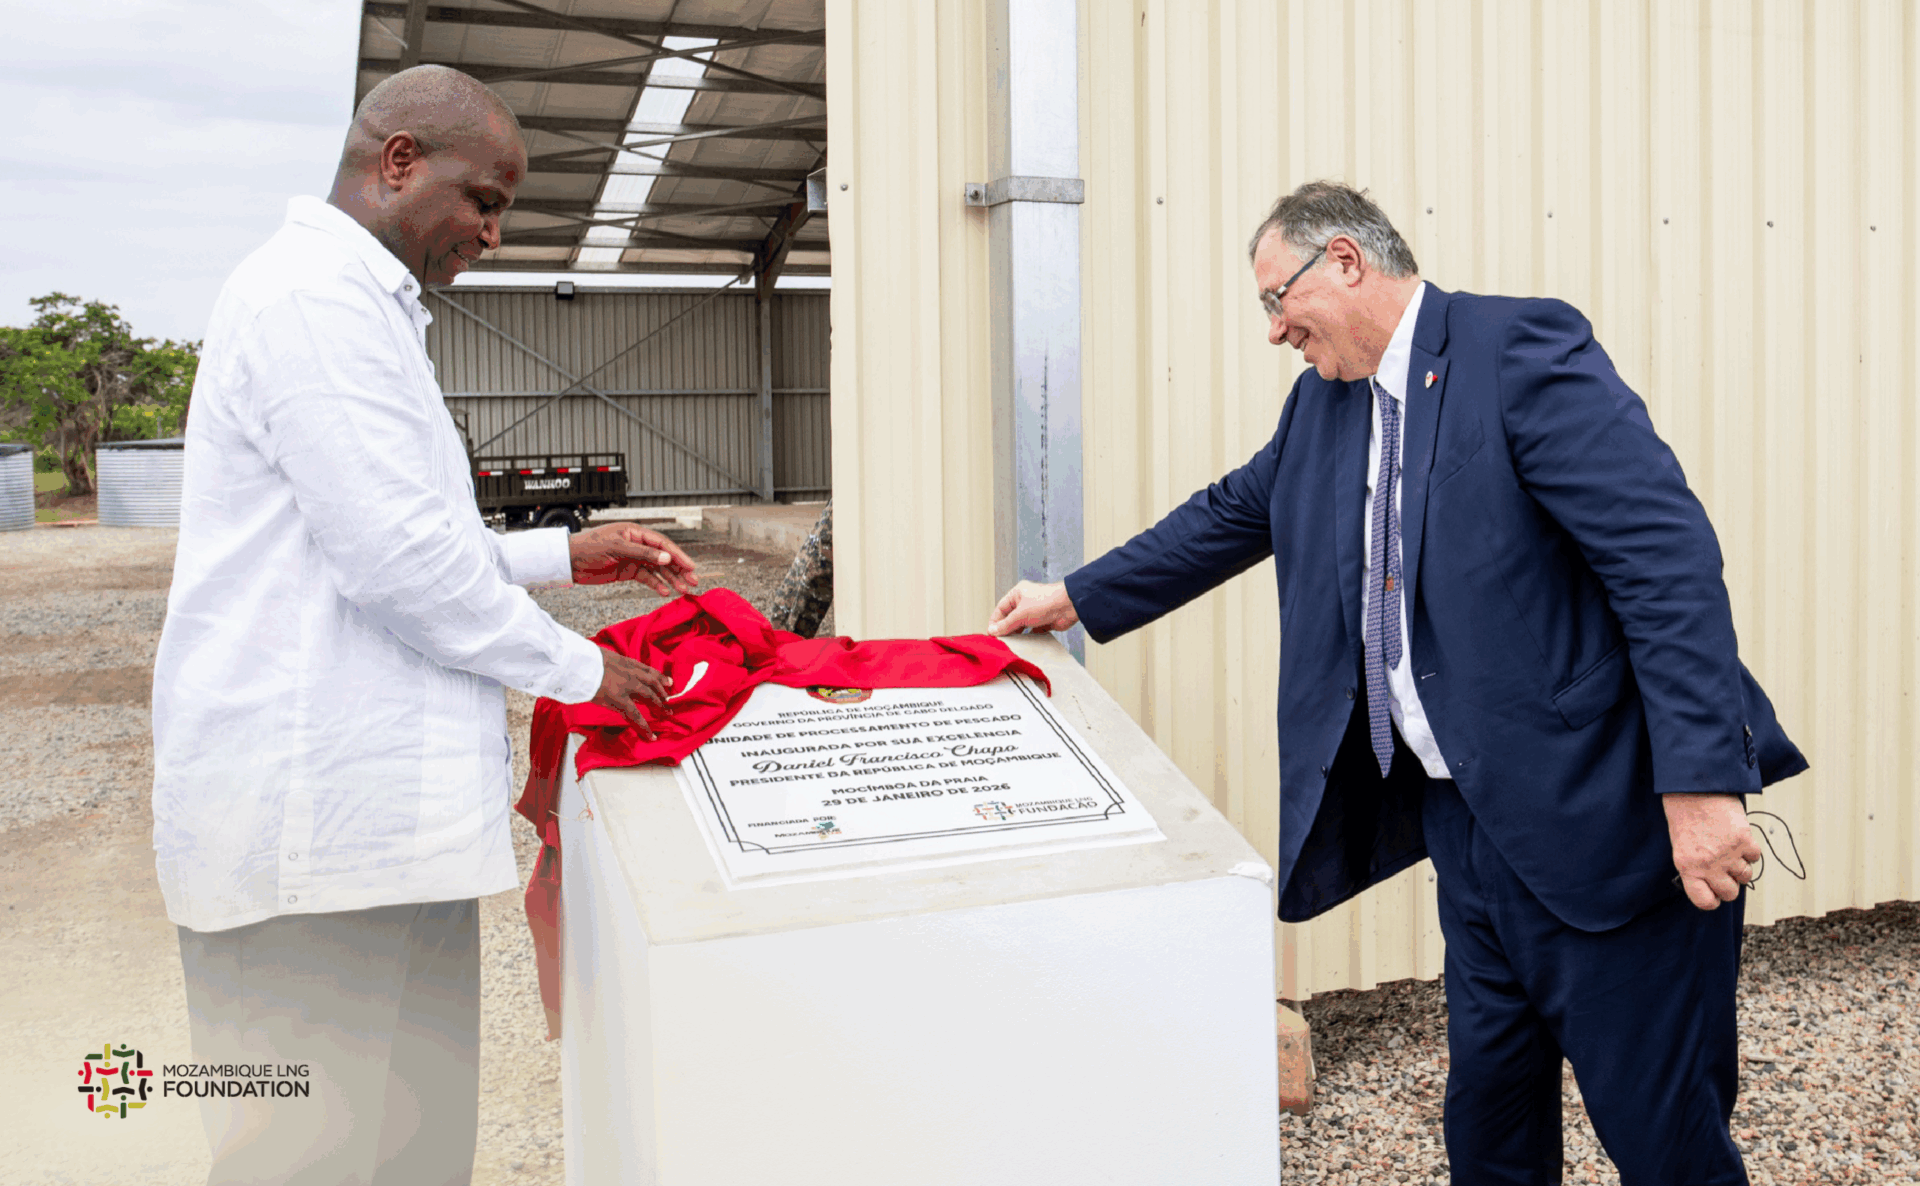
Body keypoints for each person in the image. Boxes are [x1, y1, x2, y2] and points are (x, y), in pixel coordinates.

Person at [990, 180, 1805, 1184]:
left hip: (1609, 817)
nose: (1275, 329)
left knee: (1662, 1136)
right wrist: (1073, 596)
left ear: (1344, 259)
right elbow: (1230, 513)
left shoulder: (1517, 352)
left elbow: (1665, 562)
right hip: (1467, 826)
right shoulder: (1324, 405)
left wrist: (1701, 784)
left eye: (1277, 299)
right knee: (1491, 1127)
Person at [151, 65, 698, 1184]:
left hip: (381, 855)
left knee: (412, 1156)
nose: (493, 234)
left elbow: (415, 540)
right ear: (398, 162)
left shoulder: (369, 308)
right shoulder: (310, 300)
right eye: (483, 201)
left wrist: (565, 551)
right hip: (310, 862)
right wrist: (580, 668)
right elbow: (397, 564)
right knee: (303, 1162)